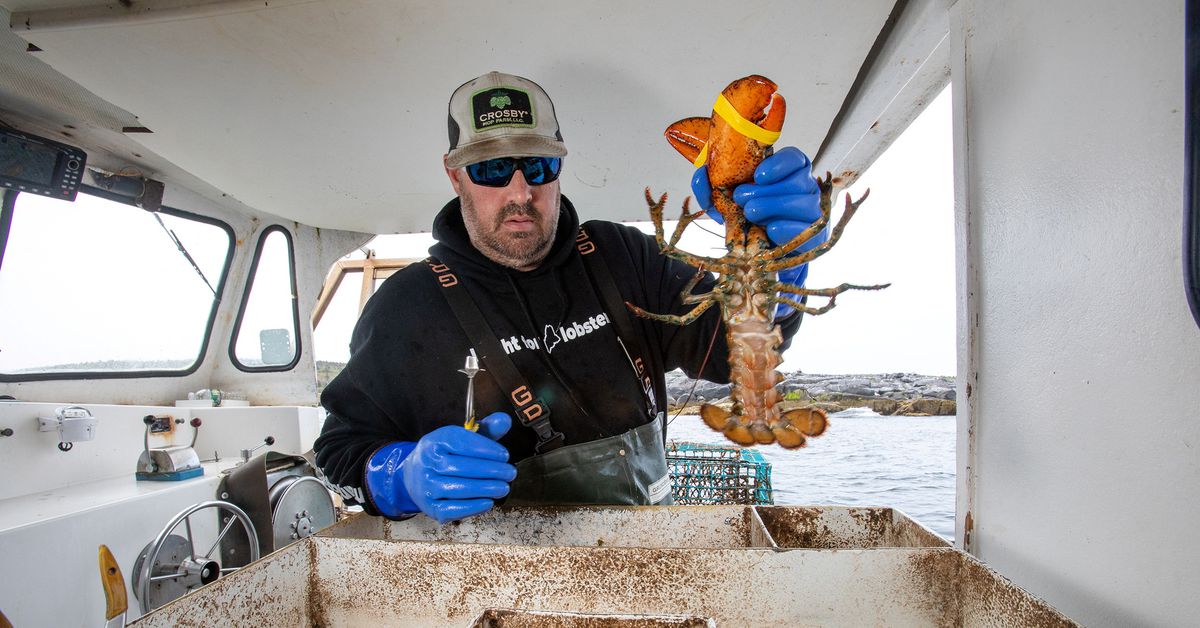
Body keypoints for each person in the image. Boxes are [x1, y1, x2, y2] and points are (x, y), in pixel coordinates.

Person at [314, 71, 826, 524]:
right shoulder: (407, 307)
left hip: (650, 566)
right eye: (492, 169)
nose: (520, 193)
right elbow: (339, 453)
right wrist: (401, 476)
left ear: (558, 167)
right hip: (495, 589)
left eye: (536, 167)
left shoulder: (621, 254)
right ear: (454, 174)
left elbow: (729, 352)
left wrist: (781, 270)